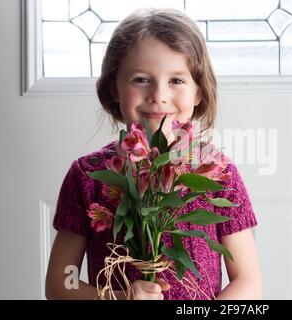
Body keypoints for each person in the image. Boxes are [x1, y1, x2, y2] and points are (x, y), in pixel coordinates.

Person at [45, 7, 262, 300]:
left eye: (176, 80)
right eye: (141, 79)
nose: (158, 94)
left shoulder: (217, 174)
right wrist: (119, 298)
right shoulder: (87, 176)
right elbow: (59, 284)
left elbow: (248, 280)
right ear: (114, 89)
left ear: (199, 92)